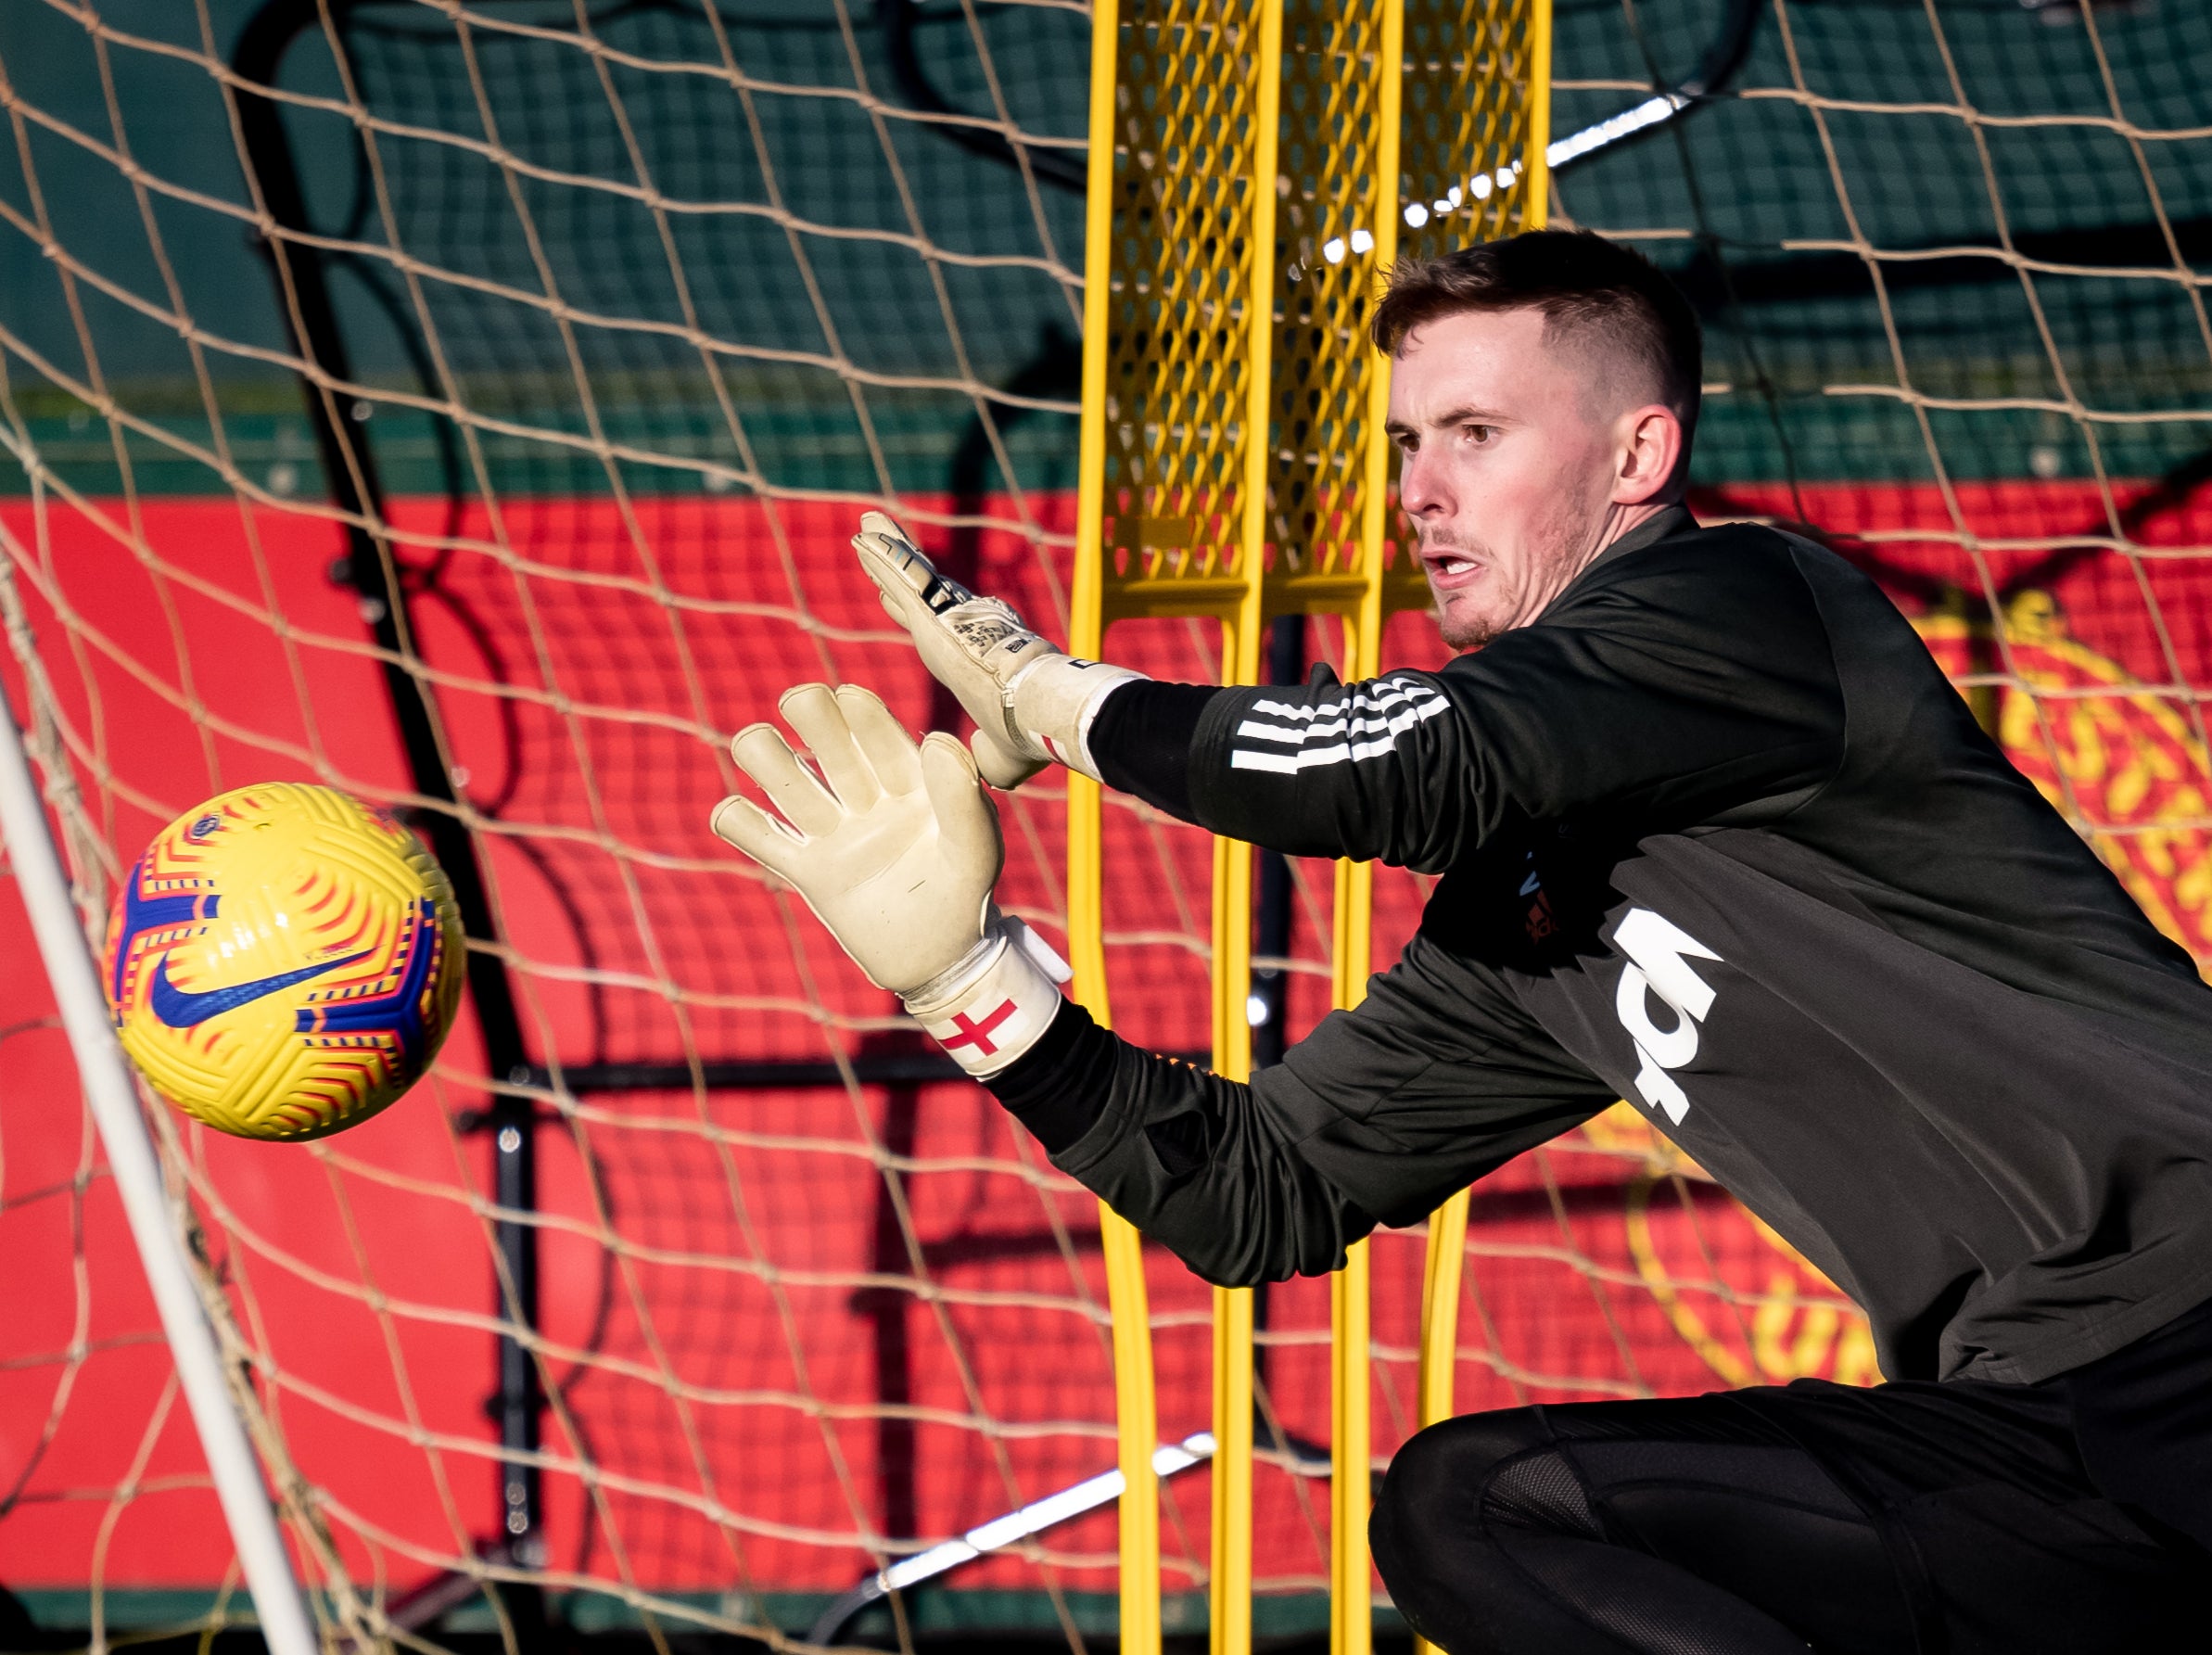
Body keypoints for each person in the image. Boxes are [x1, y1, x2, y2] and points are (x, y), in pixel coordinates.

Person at [709, 230, 2212, 1653]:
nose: (1419, 491)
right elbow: (1260, 1193)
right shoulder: (1525, 901)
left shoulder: (1739, 603)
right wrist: (971, 986)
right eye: (1402, 446)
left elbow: (1387, 768)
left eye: (1474, 434)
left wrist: (1057, 697)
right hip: (2028, 1431)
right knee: (1477, 1506)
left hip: (2193, 1327)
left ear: (1638, 454)